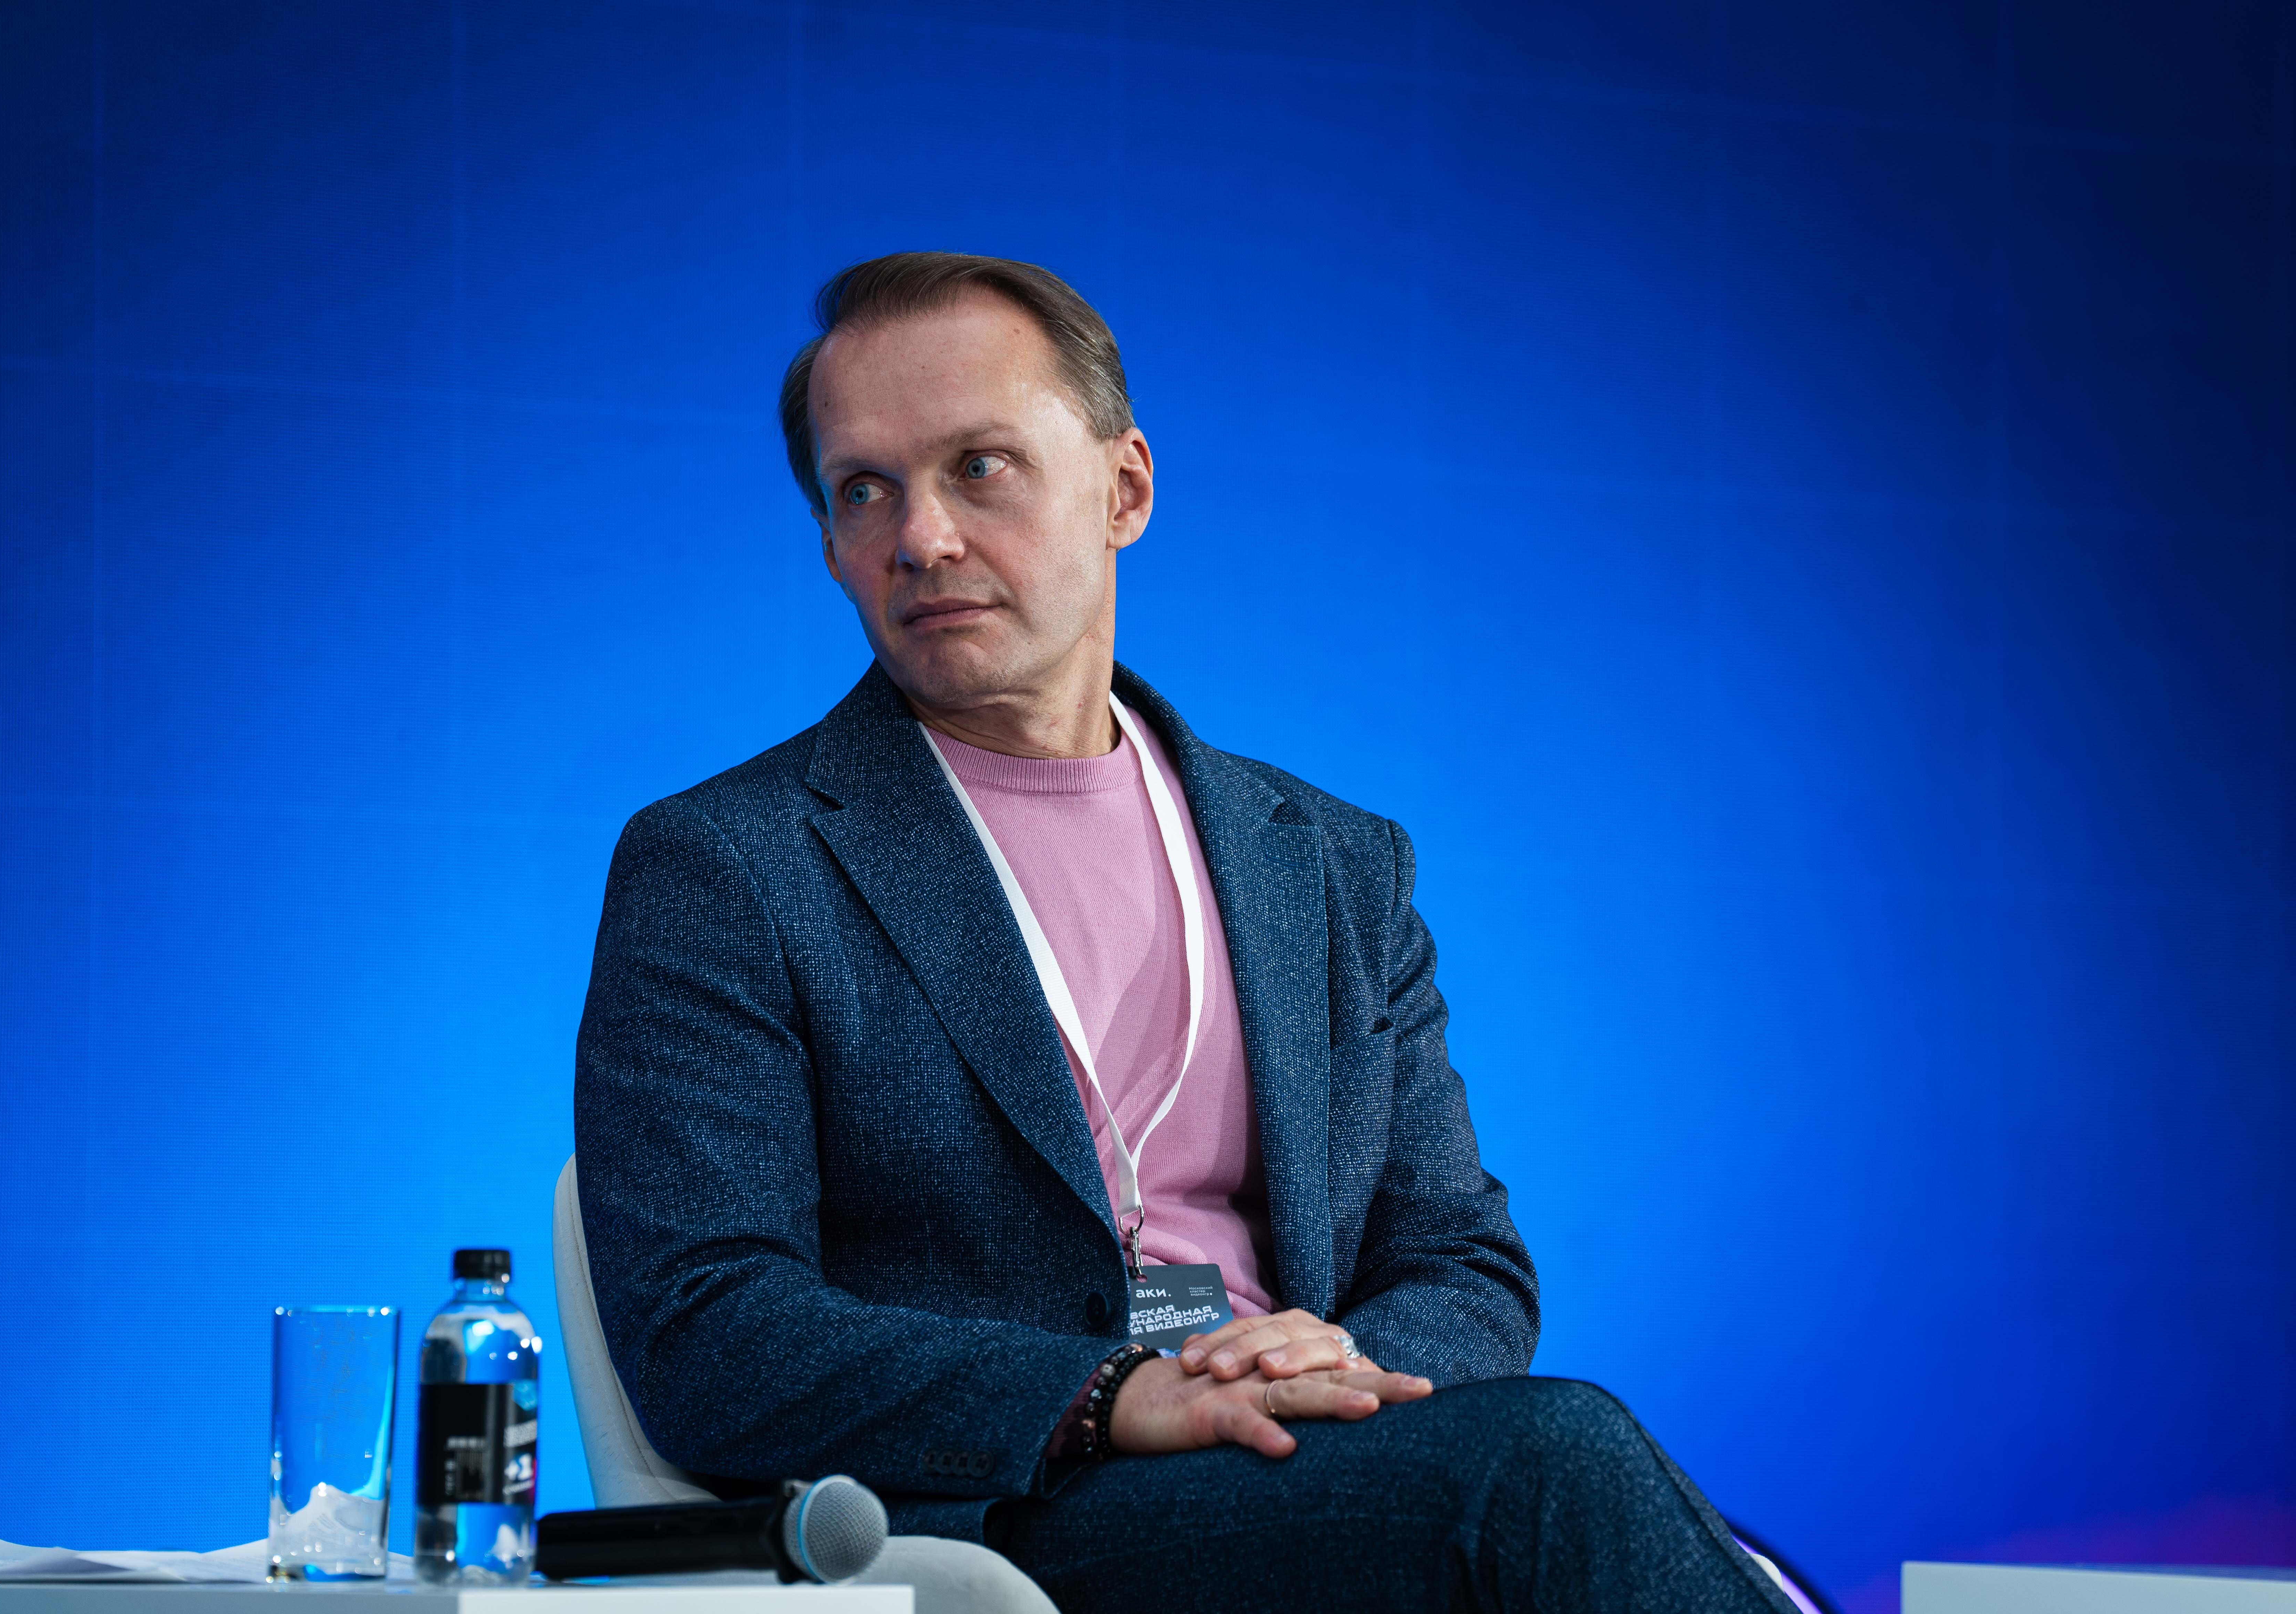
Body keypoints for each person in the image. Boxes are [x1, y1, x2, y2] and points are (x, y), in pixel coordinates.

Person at [574, 252, 1795, 1613]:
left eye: (979, 466)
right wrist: (1108, 1395)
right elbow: (708, 1332)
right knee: (1553, 1471)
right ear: (828, 541)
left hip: (1313, 1460)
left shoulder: (1331, 863)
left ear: (1126, 489)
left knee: (1644, 1519)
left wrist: (1330, 1366)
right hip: (1012, 1517)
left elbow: (1460, 1259)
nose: (922, 536)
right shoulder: (728, 863)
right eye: (865, 489)